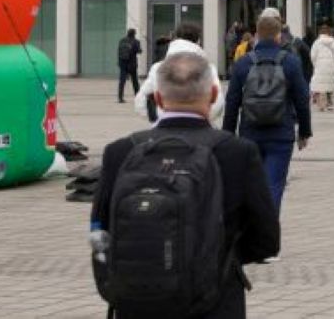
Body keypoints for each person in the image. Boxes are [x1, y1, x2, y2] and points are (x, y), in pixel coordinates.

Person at [95, 51, 280, 317]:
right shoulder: (238, 152)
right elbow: (267, 240)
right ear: (214, 95)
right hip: (214, 300)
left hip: (138, 300)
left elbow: (100, 230)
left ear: (158, 98)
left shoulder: (121, 151)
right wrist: (215, 255)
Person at [223, 15, 312, 211]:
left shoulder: (243, 63)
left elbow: (232, 103)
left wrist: (227, 135)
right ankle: (268, 229)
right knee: (274, 185)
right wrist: (304, 131)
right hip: (281, 133)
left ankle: (253, 228)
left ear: (256, 36)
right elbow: (302, 100)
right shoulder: (290, 62)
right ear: (279, 37)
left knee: (251, 186)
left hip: (249, 133)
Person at [135, 24, 224, 125]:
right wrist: (202, 117)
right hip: (200, 130)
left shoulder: (158, 68)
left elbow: (140, 101)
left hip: (165, 130)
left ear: (175, 38)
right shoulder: (208, 68)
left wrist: (158, 118)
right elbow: (217, 103)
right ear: (198, 41)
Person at [309, 24, 334, 111]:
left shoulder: (316, 42)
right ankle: (329, 103)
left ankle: (321, 105)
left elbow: (313, 55)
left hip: (319, 65)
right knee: (329, 84)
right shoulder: (333, 42)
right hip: (330, 65)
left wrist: (315, 64)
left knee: (319, 85)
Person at [117, 27, 142, 103]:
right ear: (134, 34)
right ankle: (138, 97)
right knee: (135, 81)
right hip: (132, 64)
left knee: (122, 81)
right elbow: (139, 51)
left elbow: (118, 51)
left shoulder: (122, 40)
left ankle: (120, 97)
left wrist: (119, 62)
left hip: (123, 63)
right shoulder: (136, 41)